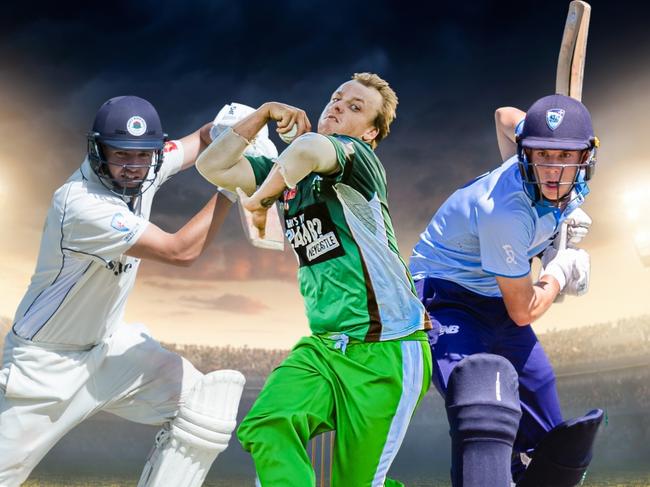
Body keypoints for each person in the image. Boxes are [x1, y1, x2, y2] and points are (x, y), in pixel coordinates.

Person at [0, 96, 269, 487]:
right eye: (120, 155)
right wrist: (233, 185)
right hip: (45, 370)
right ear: (98, 152)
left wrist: (232, 132)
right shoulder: (81, 204)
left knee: (207, 404)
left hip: (108, 351)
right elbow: (181, 251)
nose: (132, 167)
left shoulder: (143, 167)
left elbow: (200, 139)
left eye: (143, 156)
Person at [195, 72, 433, 487]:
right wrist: (265, 112)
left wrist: (260, 198)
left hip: (388, 350)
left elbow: (306, 150)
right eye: (337, 98)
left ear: (372, 132)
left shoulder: (361, 162)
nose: (338, 106)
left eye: (355, 107)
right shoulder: (289, 177)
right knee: (267, 423)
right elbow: (211, 164)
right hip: (324, 348)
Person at [409, 94, 604, 486]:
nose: (552, 169)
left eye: (565, 157)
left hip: (494, 291)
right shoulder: (506, 213)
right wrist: (559, 271)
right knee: (479, 401)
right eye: (542, 153)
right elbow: (523, 310)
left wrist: (552, 231)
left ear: (585, 158)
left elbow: (503, 115)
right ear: (524, 153)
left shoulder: (562, 180)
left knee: (546, 423)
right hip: (445, 294)